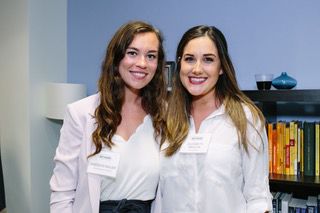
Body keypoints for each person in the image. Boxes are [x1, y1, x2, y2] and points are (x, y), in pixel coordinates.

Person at [50, 21, 167, 213]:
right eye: (132, 53)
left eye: (151, 56)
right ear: (116, 57)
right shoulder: (81, 113)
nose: (142, 63)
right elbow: (62, 192)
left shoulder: (165, 116)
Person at [155, 25, 273, 212]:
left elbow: (258, 197)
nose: (197, 69)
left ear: (221, 68)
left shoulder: (246, 118)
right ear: (180, 65)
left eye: (208, 60)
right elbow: (159, 196)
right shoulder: (165, 118)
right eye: (189, 59)